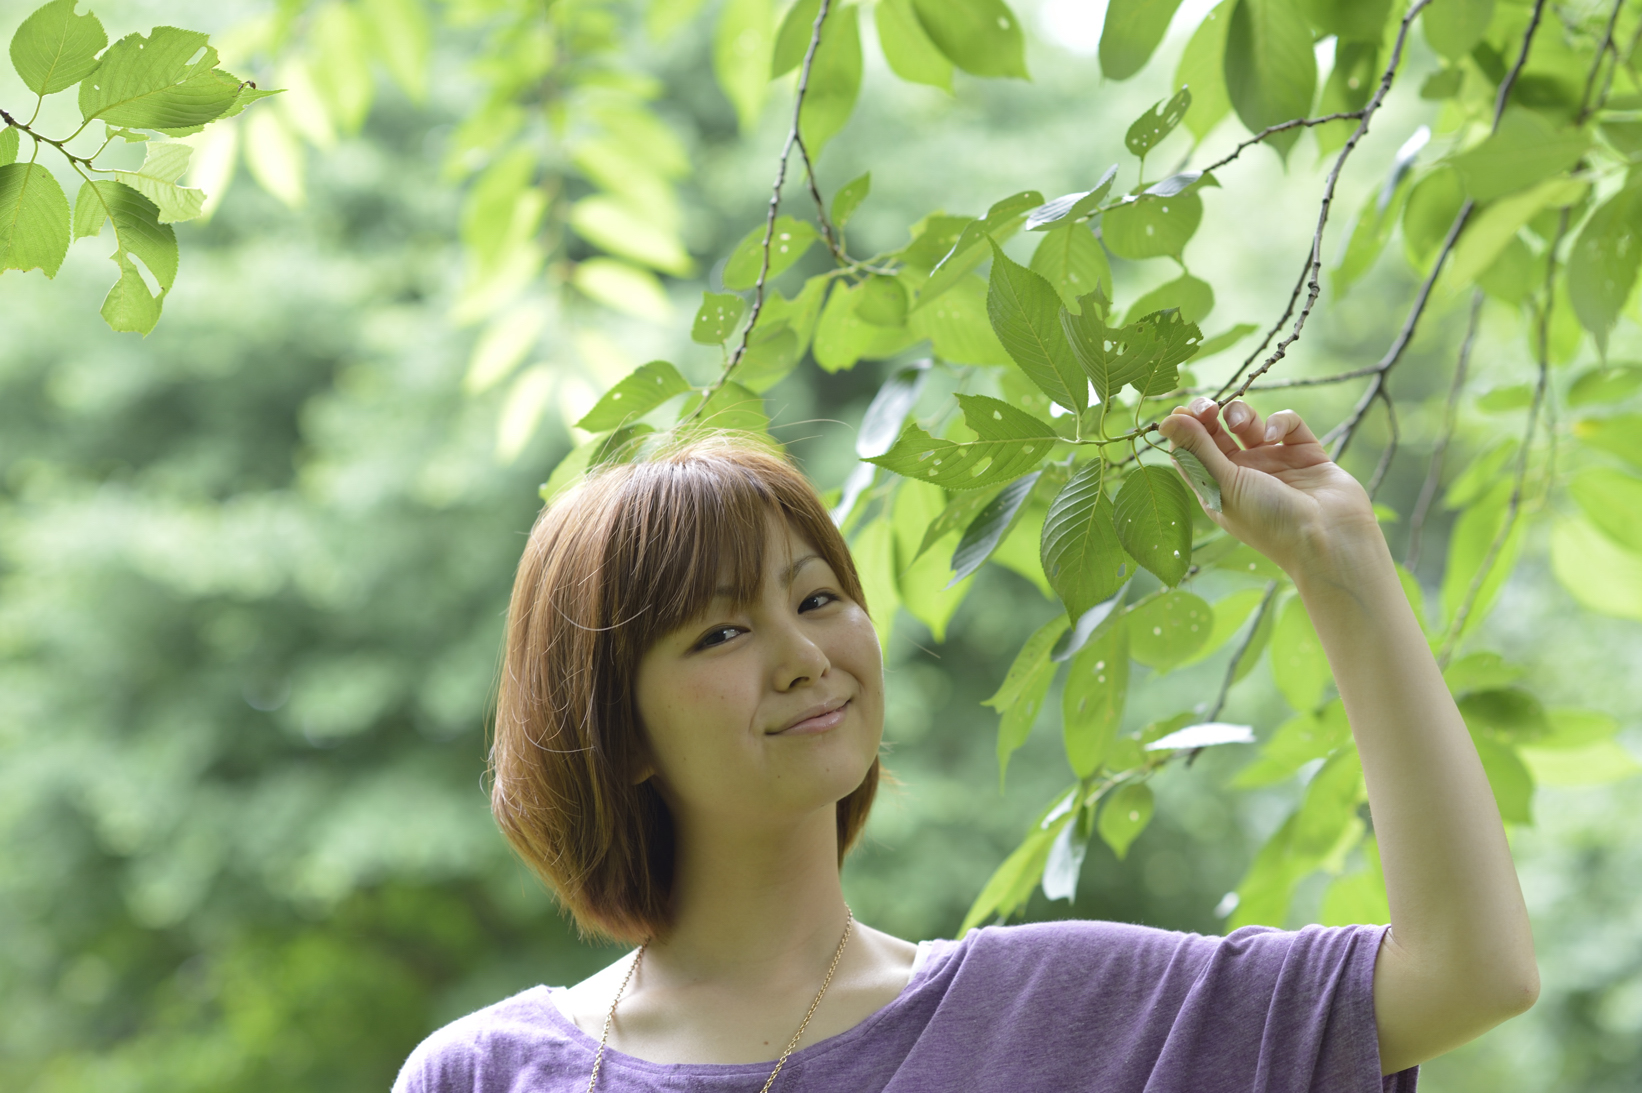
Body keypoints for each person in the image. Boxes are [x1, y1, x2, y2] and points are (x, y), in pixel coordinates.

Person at [392, 397, 1538, 1093]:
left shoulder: (1061, 1014)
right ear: (615, 728)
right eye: (722, 631)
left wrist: (1339, 565)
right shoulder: (484, 1072)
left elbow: (1467, 971)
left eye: (819, 598)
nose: (804, 655)